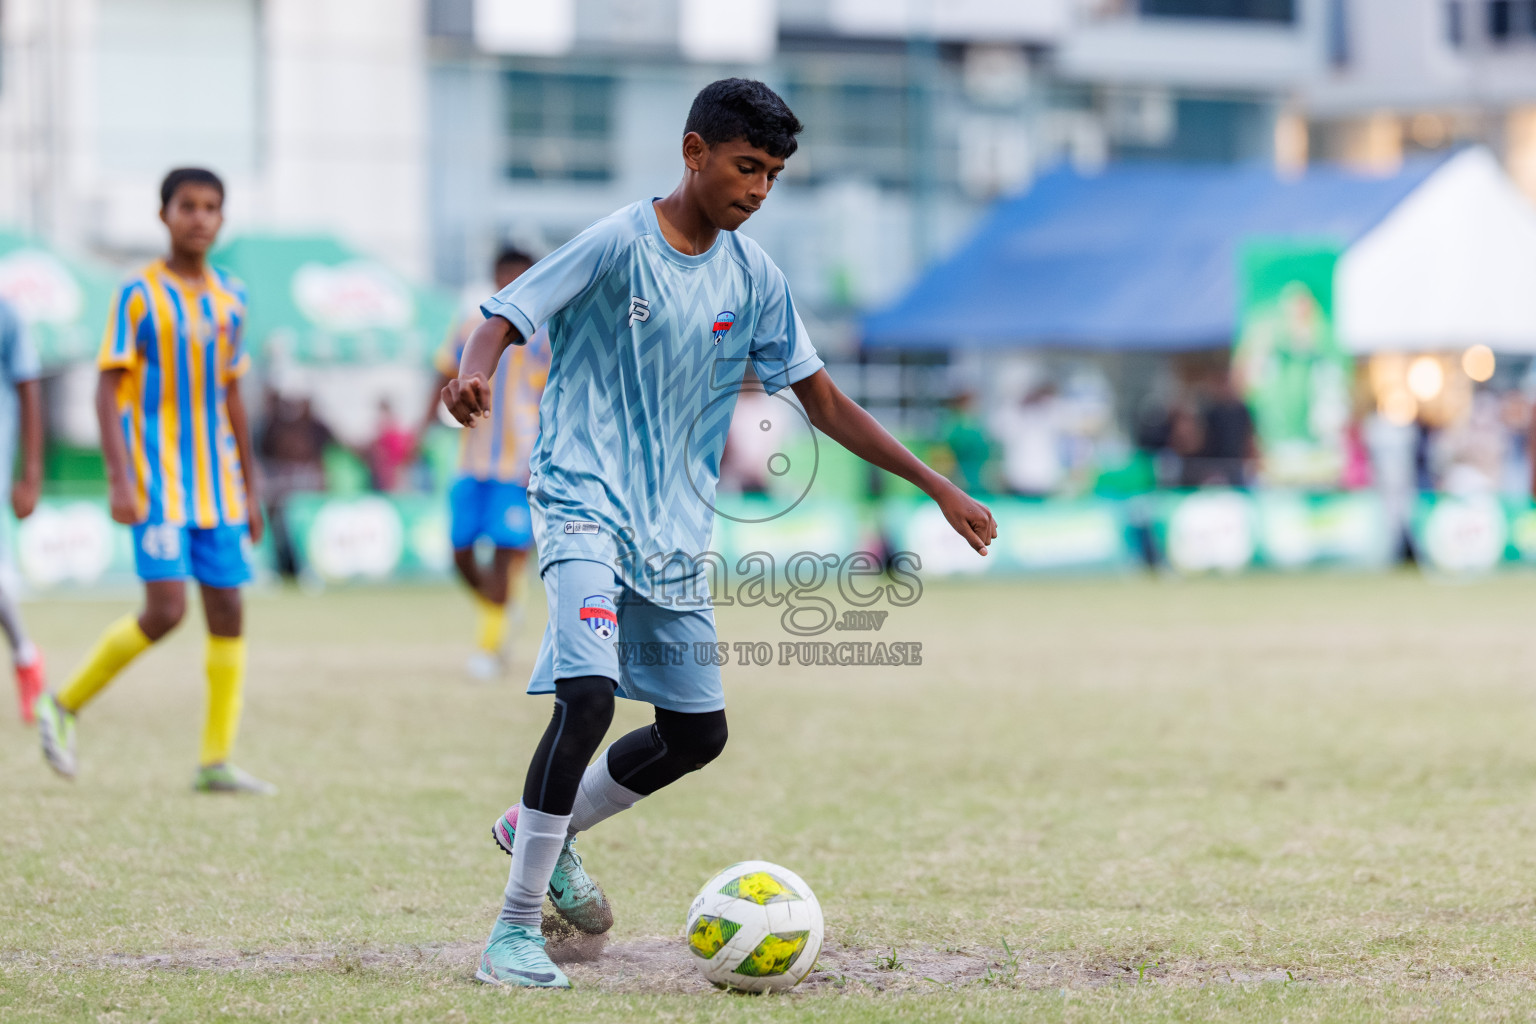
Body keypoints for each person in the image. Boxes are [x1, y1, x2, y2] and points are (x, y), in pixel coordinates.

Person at [440, 78, 996, 990]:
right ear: (695, 152)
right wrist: (473, 374)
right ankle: (512, 932)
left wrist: (936, 485)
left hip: (672, 532)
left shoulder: (754, 276)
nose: (759, 189)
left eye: (774, 175)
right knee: (586, 696)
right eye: (747, 167)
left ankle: (537, 825)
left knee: (697, 734)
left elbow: (820, 401)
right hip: (580, 500)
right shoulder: (620, 242)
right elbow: (505, 317)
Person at [34, 167, 273, 795]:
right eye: (187, 206)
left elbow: (233, 395)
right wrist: (120, 479)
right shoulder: (137, 294)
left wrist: (252, 488)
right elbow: (107, 389)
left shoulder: (233, 298)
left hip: (218, 484)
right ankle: (62, 703)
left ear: (222, 219)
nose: (200, 217)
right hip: (159, 482)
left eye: (212, 207)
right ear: (163, 215)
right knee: (165, 611)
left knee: (228, 609)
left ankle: (215, 761)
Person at [422, 248, 550, 679]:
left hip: (520, 463)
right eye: (506, 275)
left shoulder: (547, 335)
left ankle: (488, 648)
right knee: (459, 555)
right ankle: (501, 608)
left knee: (502, 556)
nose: (513, 282)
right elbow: (444, 377)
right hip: (472, 459)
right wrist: (423, 426)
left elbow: (559, 396)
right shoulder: (471, 327)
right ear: (495, 278)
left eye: (522, 275)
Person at [0, 297, 45, 722]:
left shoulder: (6, 312)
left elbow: (29, 388)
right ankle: (26, 656)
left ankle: (27, 659)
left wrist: (30, 473)